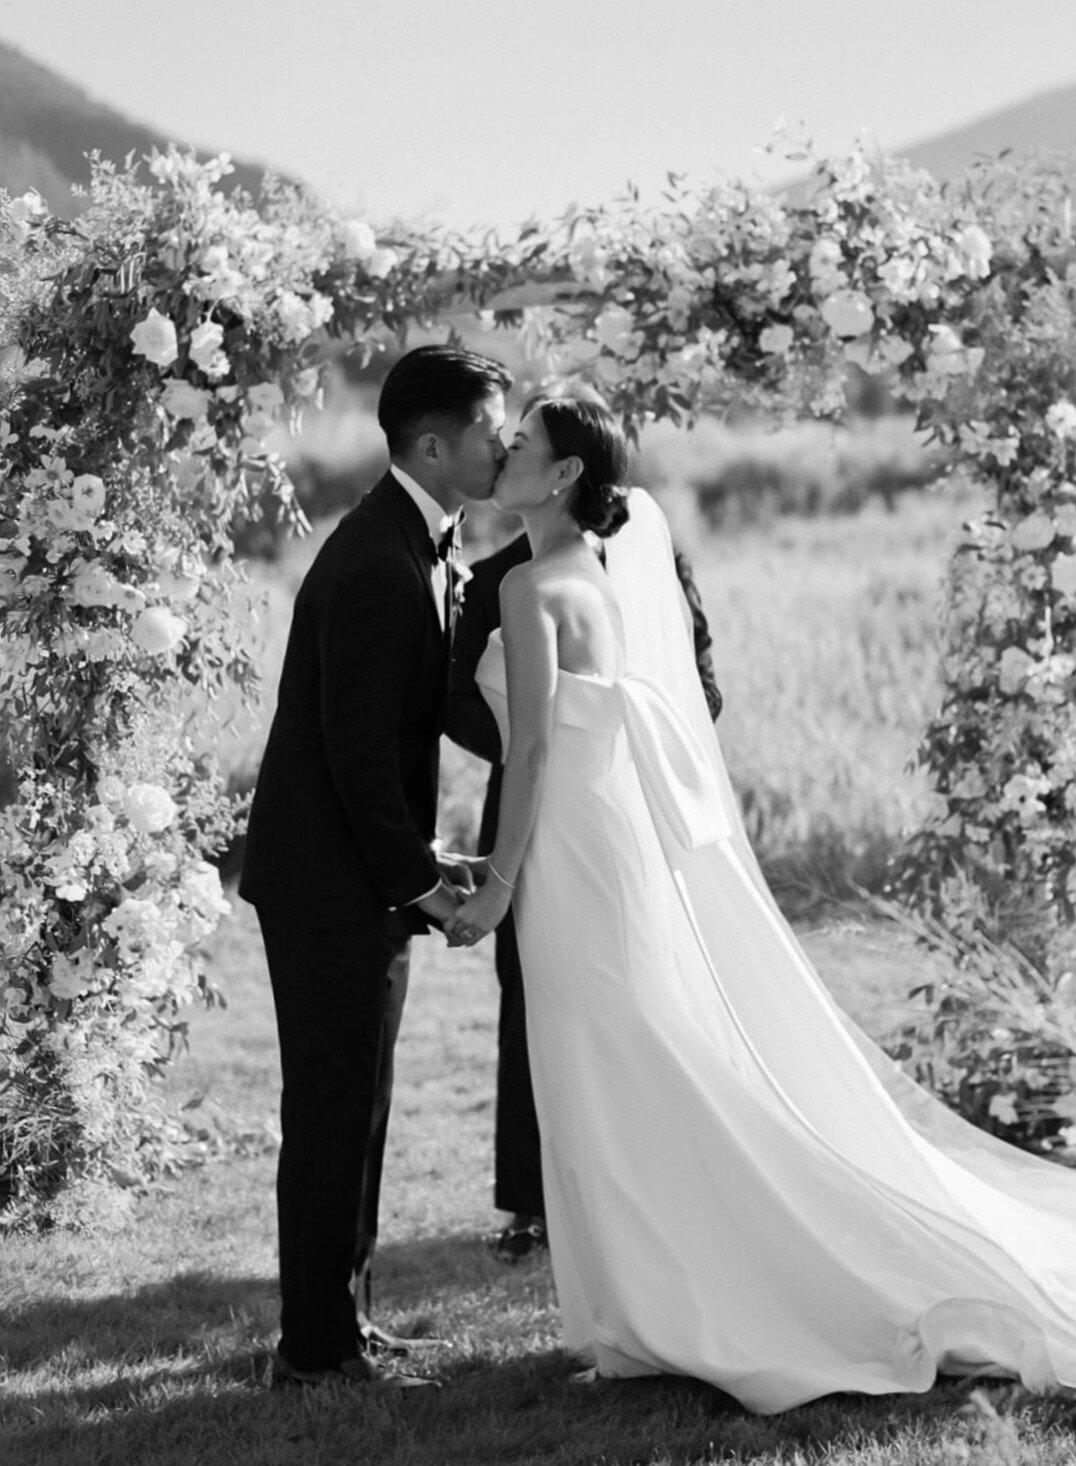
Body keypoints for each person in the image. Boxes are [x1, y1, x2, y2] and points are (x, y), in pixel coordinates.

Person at [445, 395, 1076, 1414]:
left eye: (519, 445)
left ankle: (659, 1303)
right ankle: (634, 1304)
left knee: (608, 1059)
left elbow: (533, 747)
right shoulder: (591, 579)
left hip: (567, 847)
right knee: (619, 1056)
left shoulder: (527, 586)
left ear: (561, 476)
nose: (502, 452)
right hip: (601, 840)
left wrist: (499, 878)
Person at [239, 344, 512, 1389]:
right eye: (493, 428)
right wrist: (425, 886)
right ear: (435, 442)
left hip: (356, 871)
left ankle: (342, 1317)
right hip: (323, 884)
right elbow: (351, 755)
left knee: (360, 1101)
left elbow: (413, 718)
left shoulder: (422, 538)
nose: (504, 443)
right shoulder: (369, 559)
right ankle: (312, 1347)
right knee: (329, 1107)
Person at [446, 521, 722, 1260]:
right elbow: (453, 697)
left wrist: (612, 739)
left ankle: (653, 1178)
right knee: (529, 994)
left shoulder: (652, 560)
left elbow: (701, 684)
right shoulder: (495, 575)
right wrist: (533, 735)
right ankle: (534, 1202)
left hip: (627, 801)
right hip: (532, 800)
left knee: (636, 989)